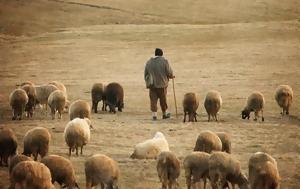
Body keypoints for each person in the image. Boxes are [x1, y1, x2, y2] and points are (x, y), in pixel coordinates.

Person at [144, 48, 175, 120]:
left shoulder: (149, 62)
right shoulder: (164, 61)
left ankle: (154, 115)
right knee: (163, 100)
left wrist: (148, 82)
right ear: (162, 54)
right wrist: (171, 76)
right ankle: (164, 114)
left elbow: (146, 74)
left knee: (153, 100)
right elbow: (169, 72)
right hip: (162, 85)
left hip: (152, 85)